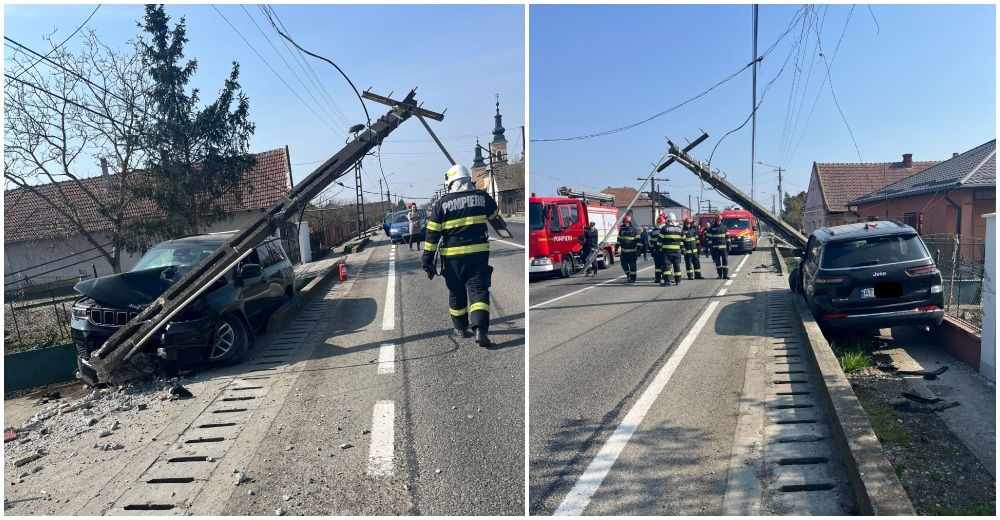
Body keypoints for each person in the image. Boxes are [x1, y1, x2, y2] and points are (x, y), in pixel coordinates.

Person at [421, 164, 500, 347]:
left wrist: (427, 260)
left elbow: (432, 234)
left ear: (450, 183)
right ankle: (480, 329)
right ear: (467, 180)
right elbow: (494, 214)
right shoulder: (482, 197)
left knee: (456, 292)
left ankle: (461, 327)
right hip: (478, 255)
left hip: (452, 258)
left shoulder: (441, 204)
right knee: (478, 291)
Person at [660, 213, 684, 286]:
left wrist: (658, 248)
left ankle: (668, 281)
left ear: (668, 220)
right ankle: (678, 281)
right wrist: (681, 248)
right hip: (677, 251)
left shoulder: (665, 228)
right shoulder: (679, 228)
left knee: (667, 265)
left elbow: (660, 239)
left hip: (667, 251)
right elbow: (683, 239)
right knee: (676, 265)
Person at [614, 214, 639, 283]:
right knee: (623, 265)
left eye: (627, 222)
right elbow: (619, 240)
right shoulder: (621, 230)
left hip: (632, 252)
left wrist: (639, 250)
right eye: (625, 222)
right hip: (624, 252)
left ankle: (632, 279)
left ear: (630, 222)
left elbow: (638, 241)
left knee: (633, 266)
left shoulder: (634, 230)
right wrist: (616, 249)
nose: (626, 223)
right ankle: (628, 275)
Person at [707, 214, 732, 279]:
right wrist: (710, 247)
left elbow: (728, 237)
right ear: (715, 220)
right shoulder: (711, 228)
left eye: (719, 220)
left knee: (725, 261)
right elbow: (709, 239)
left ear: (721, 220)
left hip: (724, 248)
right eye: (717, 220)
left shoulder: (724, 227)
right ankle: (720, 275)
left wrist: (729, 245)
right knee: (718, 262)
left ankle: (725, 275)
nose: (718, 221)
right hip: (715, 249)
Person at [650, 214, 666, 284]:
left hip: (657, 250)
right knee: (666, 265)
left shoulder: (654, 230)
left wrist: (652, 251)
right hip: (664, 250)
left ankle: (658, 278)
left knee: (658, 266)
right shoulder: (665, 229)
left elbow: (651, 242)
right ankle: (667, 278)